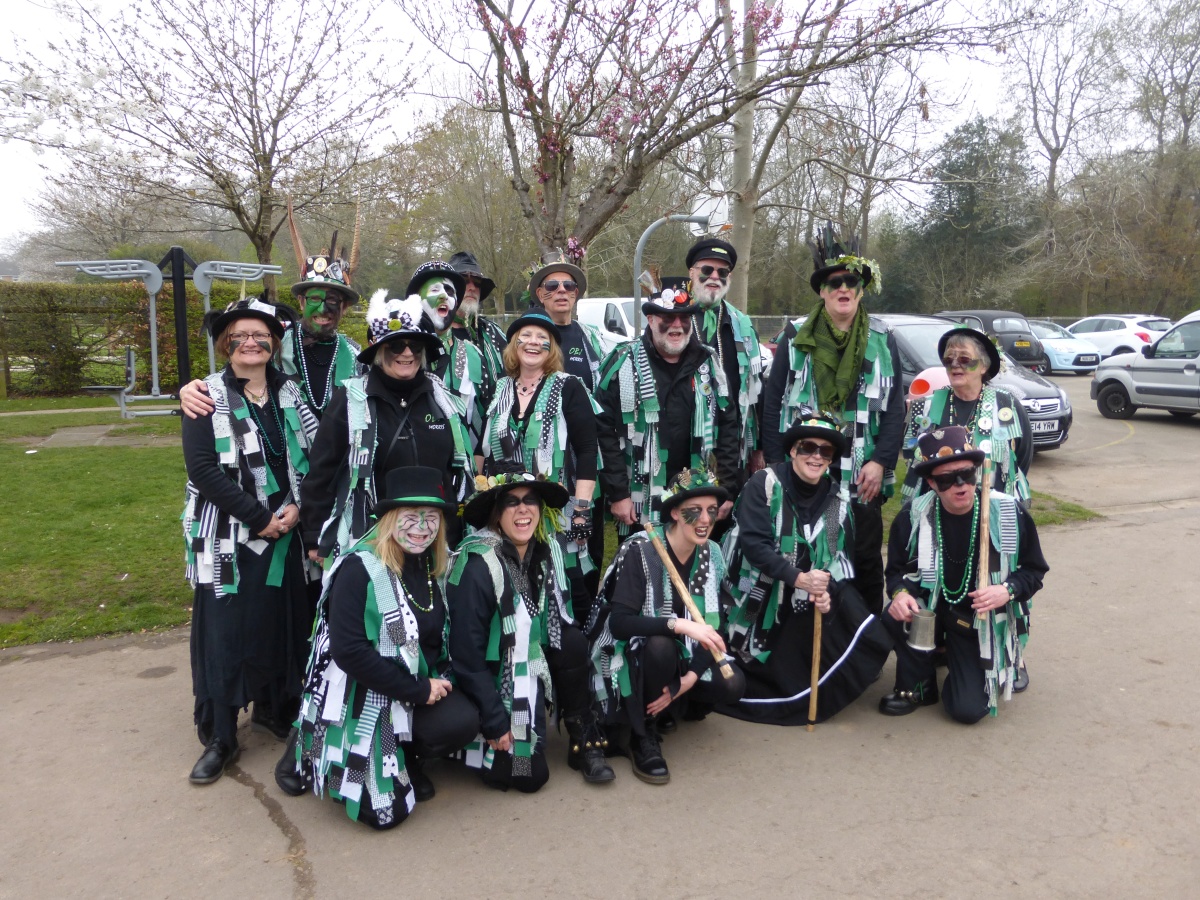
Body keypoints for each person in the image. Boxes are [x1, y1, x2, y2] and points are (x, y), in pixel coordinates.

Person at [277, 467, 480, 829]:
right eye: (411, 515)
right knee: (385, 815)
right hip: (362, 693)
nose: (422, 527)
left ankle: (407, 755)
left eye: (431, 516)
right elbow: (350, 652)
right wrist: (418, 689)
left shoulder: (434, 563)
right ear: (389, 518)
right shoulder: (359, 568)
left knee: (461, 721)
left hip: (412, 683)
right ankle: (308, 742)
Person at [181, 298, 319, 785]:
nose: (250, 343)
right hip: (232, 537)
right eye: (239, 335)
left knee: (282, 625)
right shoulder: (205, 396)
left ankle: (273, 708)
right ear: (226, 343)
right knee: (228, 634)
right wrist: (259, 519)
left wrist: (298, 507)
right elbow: (203, 470)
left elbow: (317, 454)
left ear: (273, 343)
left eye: (260, 335)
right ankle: (221, 737)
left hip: (288, 531)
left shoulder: (291, 392)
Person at [760, 222, 905, 616]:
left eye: (851, 281)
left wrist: (881, 462)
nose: (843, 288)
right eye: (834, 282)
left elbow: (895, 408)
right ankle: (811, 637)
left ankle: (864, 638)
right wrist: (776, 466)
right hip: (807, 469)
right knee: (807, 555)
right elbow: (772, 404)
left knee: (865, 560)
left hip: (863, 473)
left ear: (861, 289)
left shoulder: (883, 338)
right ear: (822, 290)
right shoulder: (795, 337)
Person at [447, 469, 615, 791]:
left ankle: (582, 738)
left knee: (572, 641)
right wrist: (495, 720)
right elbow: (466, 654)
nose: (523, 509)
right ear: (496, 514)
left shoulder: (545, 551)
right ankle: (469, 737)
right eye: (511, 502)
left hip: (526, 662)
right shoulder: (479, 565)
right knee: (529, 775)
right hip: (490, 676)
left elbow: (557, 619)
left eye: (530, 501)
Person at [720, 416, 890, 725]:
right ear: (792, 451)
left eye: (825, 451)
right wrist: (799, 578)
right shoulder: (764, 484)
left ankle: (822, 683)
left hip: (804, 593)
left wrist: (825, 588)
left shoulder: (837, 499)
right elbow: (754, 545)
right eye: (808, 447)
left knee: (850, 606)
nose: (816, 456)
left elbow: (837, 557)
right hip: (754, 591)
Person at [588, 467, 745, 784]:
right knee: (660, 647)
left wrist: (689, 678)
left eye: (711, 510)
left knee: (733, 683)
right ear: (674, 512)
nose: (705, 519)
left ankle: (675, 703)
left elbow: (715, 627)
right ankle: (641, 733)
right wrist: (680, 626)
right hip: (633, 653)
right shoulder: (641, 550)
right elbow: (619, 625)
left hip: (685, 655)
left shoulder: (712, 553)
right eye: (694, 511)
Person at [881, 426, 1048, 723]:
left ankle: (972, 659)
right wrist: (899, 594)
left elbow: (1034, 570)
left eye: (966, 474)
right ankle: (920, 683)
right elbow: (895, 572)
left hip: (977, 621)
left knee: (966, 710)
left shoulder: (1008, 512)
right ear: (932, 483)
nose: (960, 485)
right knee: (894, 615)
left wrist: (1007, 590)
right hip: (930, 613)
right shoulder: (912, 516)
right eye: (947, 479)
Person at [300, 279, 474, 563]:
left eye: (415, 346)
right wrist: (314, 536)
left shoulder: (443, 400)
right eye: (396, 346)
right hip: (372, 539)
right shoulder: (351, 400)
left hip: (437, 540)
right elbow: (322, 471)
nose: (407, 353)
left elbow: (456, 470)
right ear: (380, 351)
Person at [478, 309, 601, 622]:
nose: (533, 342)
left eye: (542, 338)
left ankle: (575, 643)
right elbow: (483, 448)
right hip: (509, 511)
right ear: (514, 345)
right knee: (513, 583)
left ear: (552, 349)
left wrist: (582, 509)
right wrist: (479, 493)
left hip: (555, 511)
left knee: (567, 583)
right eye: (526, 336)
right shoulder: (501, 388)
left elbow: (587, 450)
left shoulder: (569, 386)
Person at [178, 213, 363, 421]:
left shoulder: (355, 355)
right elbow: (233, 373)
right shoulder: (275, 341)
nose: (322, 309)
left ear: (345, 307)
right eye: (314, 298)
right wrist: (193, 390)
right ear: (301, 302)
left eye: (333, 300)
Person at [595, 287, 741, 541]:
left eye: (684, 318)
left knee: (697, 561)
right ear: (651, 320)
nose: (677, 325)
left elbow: (729, 427)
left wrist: (726, 489)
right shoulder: (623, 362)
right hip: (639, 498)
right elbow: (603, 431)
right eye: (668, 318)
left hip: (699, 491)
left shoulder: (708, 362)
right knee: (643, 561)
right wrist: (618, 494)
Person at [902, 325, 1032, 502]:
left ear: (983, 366)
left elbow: (1022, 457)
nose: (955, 364)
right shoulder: (925, 407)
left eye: (964, 359)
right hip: (938, 507)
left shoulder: (1006, 405)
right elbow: (912, 458)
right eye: (949, 359)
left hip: (994, 506)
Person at [686, 238, 765, 473]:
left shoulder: (743, 326)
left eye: (722, 272)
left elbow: (756, 386)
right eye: (707, 270)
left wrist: (758, 447)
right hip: (685, 438)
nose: (714, 277)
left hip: (732, 444)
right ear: (691, 273)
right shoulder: (675, 320)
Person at [418, 259, 494, 452]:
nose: (443, 296)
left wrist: (476, 466)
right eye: (434, 290)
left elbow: (483, 417)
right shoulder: (400, 351)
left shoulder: (472, 354)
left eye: (449, 291)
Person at [527, 252, 607, 392]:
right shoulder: (527, 338)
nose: (562, 290)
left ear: (575, 294)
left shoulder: (593, 337)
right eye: (552, 285)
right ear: (540, 294)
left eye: (569, 285)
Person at [449, 250, 508, 387]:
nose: (472, 288)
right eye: (464, 281)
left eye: (477, 282)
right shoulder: (432, 333)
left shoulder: (493, 333)